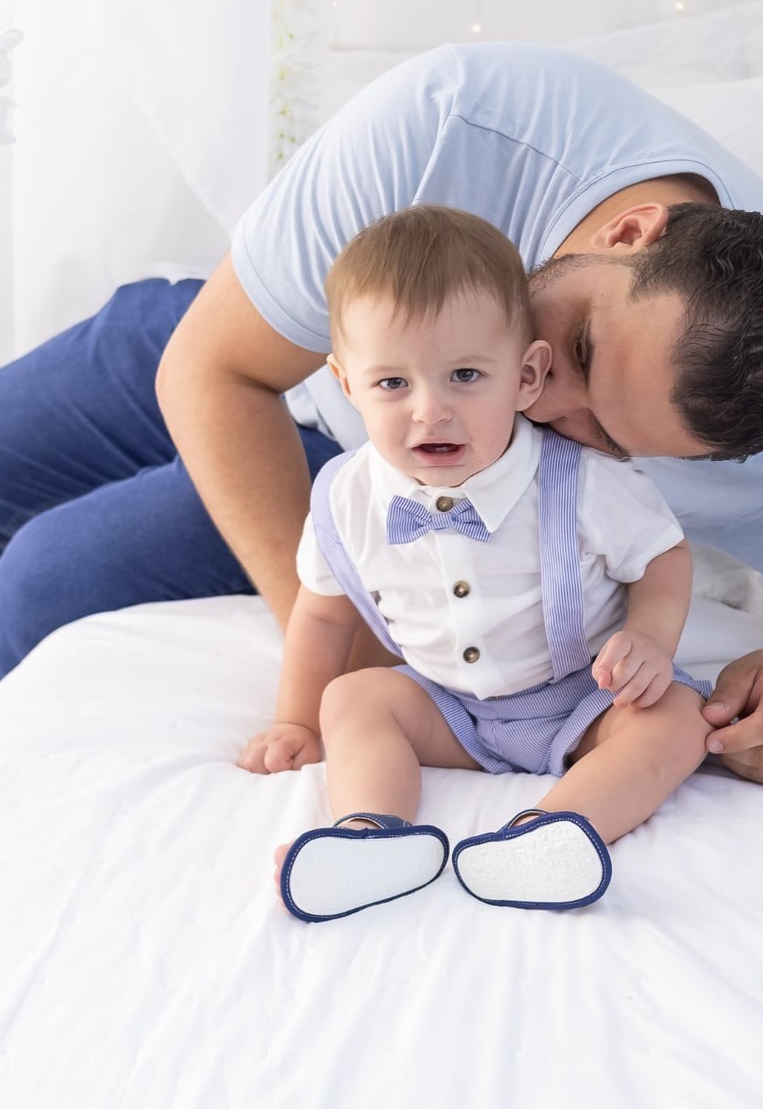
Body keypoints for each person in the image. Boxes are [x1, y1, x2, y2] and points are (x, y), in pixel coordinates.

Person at [0, 43, 763, 770]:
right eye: (583, 347)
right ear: (634, 231)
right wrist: (349, 649)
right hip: (276, 347)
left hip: (380, 470)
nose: (550, 407)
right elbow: (214, 369)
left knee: (47, 573)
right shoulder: (452, 120)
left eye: (609, 440)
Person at [244, 205, 714, 918]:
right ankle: (371, 834)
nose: (430, 411)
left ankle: (547, 833)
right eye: (392, 384)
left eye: (465, 375)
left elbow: (664, 557)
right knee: (354, 698)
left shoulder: (583, 481)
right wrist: (296, 722)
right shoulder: (347, 498)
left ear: (526, 377)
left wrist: (650, 638)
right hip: (448, 711)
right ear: (346, 385)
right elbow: (320, 615)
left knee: (678, 718)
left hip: (580, 699)